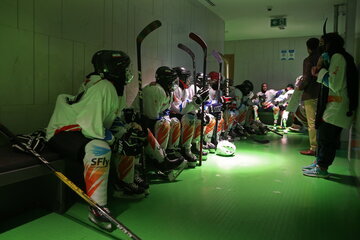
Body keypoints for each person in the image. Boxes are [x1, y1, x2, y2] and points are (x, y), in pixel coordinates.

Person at [46, 50, 142, 231]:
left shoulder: (112, 86)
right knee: (100, 149)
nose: (127, 72)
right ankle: (98, 207)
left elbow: (109, 120)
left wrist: (125, 133)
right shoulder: (103, 87)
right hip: (63, 131)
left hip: (82, 129)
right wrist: (117, 142)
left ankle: (123, 184)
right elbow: (90, 127)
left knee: (126, 138)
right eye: (123, 68)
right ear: (112, 69)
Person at [303, 32, 358, 178]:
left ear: (330, 44)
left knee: (327, 139)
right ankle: (319, 163)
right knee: (323, 135)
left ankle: (322, 168)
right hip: (333, 106)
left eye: (323, 43)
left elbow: (335, 84)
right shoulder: (335, 57)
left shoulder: (338, 57)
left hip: (338, 106)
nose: (320, 46)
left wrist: (320, 71)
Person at [131, 66, 188, 178]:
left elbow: (176, 109)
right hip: (140, 122)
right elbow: (150, 117)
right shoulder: (155, 90)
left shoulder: (168, 92)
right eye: (172, 80)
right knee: (163, 124)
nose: (175, 83)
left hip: (153, 120)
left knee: (175, 121)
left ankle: (170, 152)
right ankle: (160, 159)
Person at [170, 67, 209, 167]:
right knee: (189, 118)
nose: (188, 80)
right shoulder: (174, 89)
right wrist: (195, 103)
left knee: (198, 118)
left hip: (180, 114)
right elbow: (179, 108)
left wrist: (198, 110)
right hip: (172, 116)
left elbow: (186, 106)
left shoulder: (185, 90)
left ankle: (195, 144)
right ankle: (181, 149)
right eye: (186, 78)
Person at [298, 38, 321, 156]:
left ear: (308, 48)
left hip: (311, 94)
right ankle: (322, 146)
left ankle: (314, 148)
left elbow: (306, 79)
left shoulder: (308, 60)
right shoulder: (323, 58)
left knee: (311, 122)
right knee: (321, 121)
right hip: (322, 93)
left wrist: (299, 87)